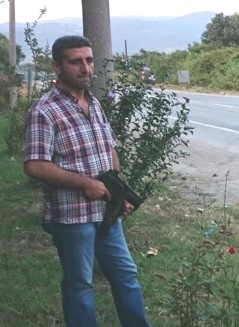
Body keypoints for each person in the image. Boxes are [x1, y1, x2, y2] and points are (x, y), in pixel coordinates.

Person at [23, 35, 152, 327]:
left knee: (126, 276)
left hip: (107, 214)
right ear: (57, 66)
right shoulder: (44, 111)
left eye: (89, 60)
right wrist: (84, 183)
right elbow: (34, 165)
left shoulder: (94, 103)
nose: (85, 67)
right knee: (80, 284)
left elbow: (110, 149)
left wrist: (118, 193)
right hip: (71, 217)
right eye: (75, 61)